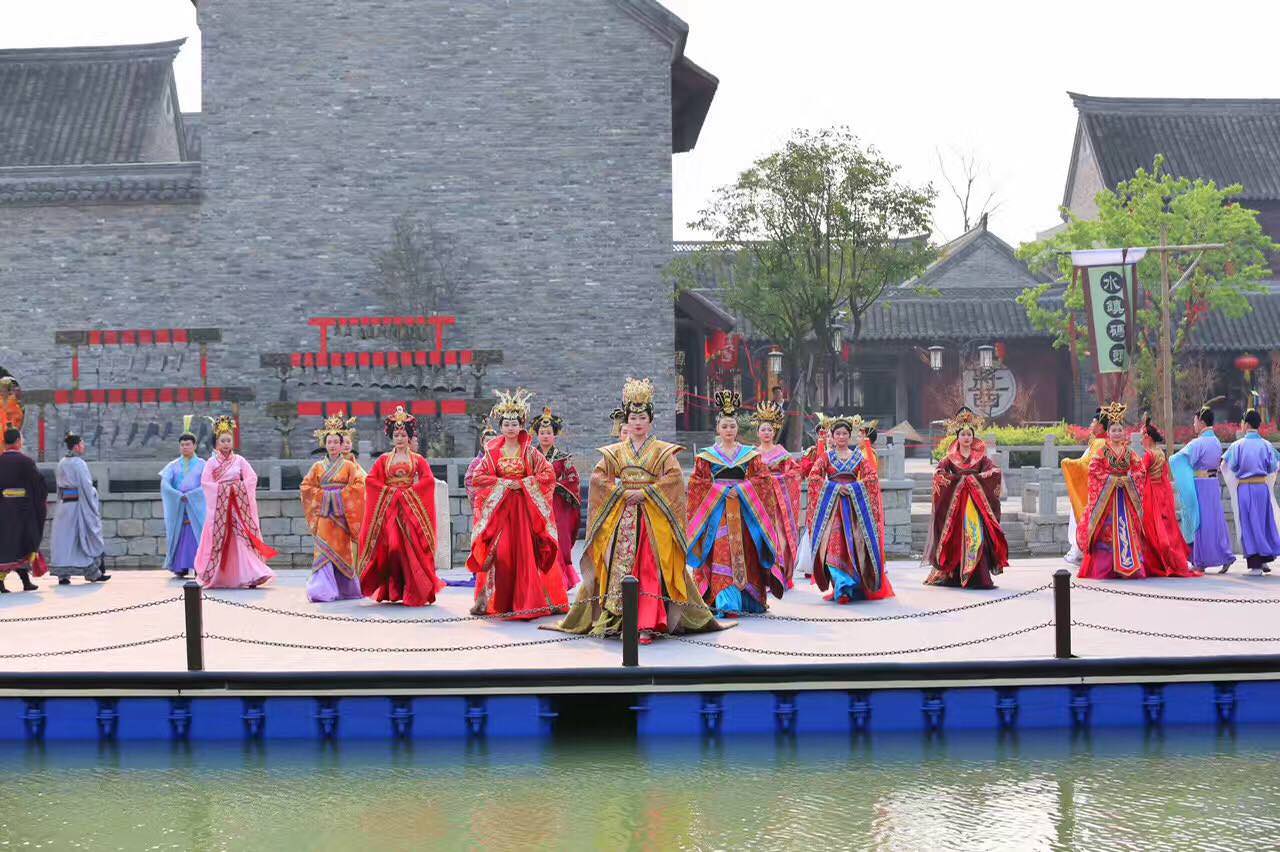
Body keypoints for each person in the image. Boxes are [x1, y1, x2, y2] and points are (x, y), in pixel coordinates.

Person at [551, 377, 725, 643]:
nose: (638, 422)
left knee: (650, 566)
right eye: (633, 418)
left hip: (653, 518)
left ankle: (647, 622)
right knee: (618, 568)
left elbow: (674, 480)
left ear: (651, 421)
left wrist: (645, 493)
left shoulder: (662, 451)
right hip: (622, 517)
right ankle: (620, 620)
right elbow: (598, 478)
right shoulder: (615, 452)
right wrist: (620, 492)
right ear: (627, 421)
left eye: (643, 417)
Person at [466, 389, 568, 619]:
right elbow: (478, 478)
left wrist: (523, 483)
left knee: (525, 552)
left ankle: (528, 601)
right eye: (506, 424)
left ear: (521, 425)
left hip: (524, 511)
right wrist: (502, 483)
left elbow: (548, 475)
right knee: (501, 552)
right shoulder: (492, 453)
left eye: (514, 424)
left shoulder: (530, 452)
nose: (510, 428)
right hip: (501, 511)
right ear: (501, 426)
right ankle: (499, 600)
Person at [686, 391, 783, 616]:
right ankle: (726, 601)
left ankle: (748, 599)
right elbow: (697, 483)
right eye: (724, 426)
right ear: (718, 430)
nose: (729, 430)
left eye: (732, 426)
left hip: (744, 509)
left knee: (745, 550)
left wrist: (740, 489)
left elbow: (763, 479)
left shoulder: (749, 454)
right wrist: (721, 490)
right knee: (722, 550)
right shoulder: (707, 456)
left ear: (737, 429)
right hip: (718, 510)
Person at [357, 406, 444, 606]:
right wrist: (390, 493)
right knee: (393, 548)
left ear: (409, 437)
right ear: (391, 436)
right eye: (396, 435)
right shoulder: (384, 460)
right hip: (390, 510)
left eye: (403, 435)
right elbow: (371, 480)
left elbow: (428, 481)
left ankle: (413, 590)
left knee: (412, 549)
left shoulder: (418, 460)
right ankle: (394, 589)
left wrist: (409, 493)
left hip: (410, 509)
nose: (399, 438)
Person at [806, 414, 895, 603]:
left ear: (850, 436)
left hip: (854, 510)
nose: (841, 437)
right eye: (837, 433)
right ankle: (842, 587)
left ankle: (853, 586)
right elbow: (814, 477)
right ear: (832, 436)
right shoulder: (826, 457)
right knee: (833, 544)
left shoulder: (858, 457)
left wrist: (854, 488)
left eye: (844, 433)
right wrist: (835, 488)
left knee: (854, 545)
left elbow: (872, 478)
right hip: (832, 508)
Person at [924, 407, 1009, 589]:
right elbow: (939, 474)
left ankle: (977, 577)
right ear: (957, 437)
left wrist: (974, 479)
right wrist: (957, 481)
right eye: (963, 434)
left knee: (975, 536)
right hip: (955, 508)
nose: (966, 437)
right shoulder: (949, 458)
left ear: (973, 436)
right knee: (955, 539)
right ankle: (954, 575)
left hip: (975, 504)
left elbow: (994, 471)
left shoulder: (981, 458)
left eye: (969, 434)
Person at [193, 416, 276, 589]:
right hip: (220, 509)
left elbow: (251, 478)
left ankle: (252, 574)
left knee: (242, 539)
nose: (225, 444)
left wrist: (236, 488)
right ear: (216, 443)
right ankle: (217, 575)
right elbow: (206, 483)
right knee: (219, 540)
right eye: (222, 441)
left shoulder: (240, 460)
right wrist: (225, 490)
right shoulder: (211, 463)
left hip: (238, 508)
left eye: (228, 440)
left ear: (233, 442)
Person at [1077, 402, 1146, 580]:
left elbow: (1140, 470)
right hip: (1107, 498)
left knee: (1127, 530)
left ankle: (1127, 567)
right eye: (1113, 430)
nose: (1116, 433)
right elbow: (1094, 471)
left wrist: (1128, 479)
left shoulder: (1129, 452)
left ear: (1124, 432)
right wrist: (1112, 480)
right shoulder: (1102, 452)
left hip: (1125, 496)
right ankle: (1107, 568)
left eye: (1119, 430)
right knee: (1106, 532)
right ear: (1108, 433)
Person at [300, 415, 367, 602]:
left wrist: (339, 496)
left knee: (343, 551)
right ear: (324, 443)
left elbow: (359, 486)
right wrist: (325, 496)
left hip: (341, 516)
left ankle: (344, 588)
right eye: (329, 442)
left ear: (341, 444)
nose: (332, 445)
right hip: (324, 516)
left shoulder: (349, 466)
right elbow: (306, 487)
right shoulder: (317, 467)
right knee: (323, 552)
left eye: (336, 442)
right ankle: (321, 590)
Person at [1171, 400, 1235, 573]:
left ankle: (1200, 560)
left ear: (1201, 421)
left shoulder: (1198, 443)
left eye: (1194, 421)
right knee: (1215, 521)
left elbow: (1178, 459)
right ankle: (1225, 555)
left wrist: (1172, 461)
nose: (1193, 425)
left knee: (1199, 521)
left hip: (1200, 485)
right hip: (1213, 484)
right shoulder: (1215, 441)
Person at [1223, 407, 1280, 576]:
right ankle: (1264, 559)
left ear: (1246, 424)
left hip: (1245, 489)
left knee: (1248, 524)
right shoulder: (1266, 445)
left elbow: (1229, 465)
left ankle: (1255, 565)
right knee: (1262, 523)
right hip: (1261, 487)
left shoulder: (1237, 445)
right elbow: (1273, 466)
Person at [1138, 416, 1198, 578]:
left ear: (1148, 438)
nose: (1141, 440)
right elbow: (1165, 475)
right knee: (1166, 527)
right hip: (1161, 492)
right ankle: (1172, 558)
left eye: (1142, 436)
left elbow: (1140, 474)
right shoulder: (1160, 453)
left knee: (1152, 528)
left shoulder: (1149, 455)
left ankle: (1159, 561)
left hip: (1151, 494)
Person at [532, 405, 583, 590]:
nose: (545, 436)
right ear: (537, 435)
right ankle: (536, 579)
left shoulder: (563, 458)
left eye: (549, 433)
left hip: (556, 505)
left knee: (558, 541)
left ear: (555, 435)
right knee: (535, 540)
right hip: (534, 503)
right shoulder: (530, 456)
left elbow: (573, 479)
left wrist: (555, 486)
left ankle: (558, 580)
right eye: (542, 433)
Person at [752, 400, 800, 586]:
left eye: (769, 430)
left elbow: (795, 473)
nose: (766, 433)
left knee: (780, 537)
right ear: (758, 432)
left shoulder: (781, 452)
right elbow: (748, 476)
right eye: (763, 429)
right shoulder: (752, 454)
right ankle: (762, 575)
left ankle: (779, 574)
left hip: (778, 504)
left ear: (774, 432)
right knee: (760, 535)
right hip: (759, 502)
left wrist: (777, 480)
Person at [50, 432, 108, 585]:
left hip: (64, 506)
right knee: (81, 539)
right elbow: (86, 487)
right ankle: (92, 573)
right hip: (78, 507)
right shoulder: (79, 463)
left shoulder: (62, 462)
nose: (84, 446)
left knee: (64, 541)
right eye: (82, 444)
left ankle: (63, 575)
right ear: (76, 446)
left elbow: (59, 487)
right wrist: (93, 494)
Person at [159, 419, 206, 579]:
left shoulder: (202, 464)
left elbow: (207, 484)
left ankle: (200, 565)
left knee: (196, 533)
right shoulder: (172, 465)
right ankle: (180, 566)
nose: (185, 447)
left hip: (196, 505)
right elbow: (165, 483)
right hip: (179, 505)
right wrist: (177, 495)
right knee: (179, 533)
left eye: (188, 444)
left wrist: (192, 496)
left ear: (195, 445)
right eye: (182, 444)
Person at [0, 428, 45, 592]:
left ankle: (18, 581)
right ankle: (23, 581)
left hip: (3, 511)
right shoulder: (26, 462)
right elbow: (38, 486)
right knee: (23, 545)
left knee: (6, 545)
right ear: (18, 441)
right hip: (22, 511)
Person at [1062, 409, 1106, 566]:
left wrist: (1069, 463)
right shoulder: (1097, 442)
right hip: (1096, 490)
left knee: (1081, 520)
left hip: (1094, 491)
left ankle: (1080, 551)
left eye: (1093, 422)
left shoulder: (1100, 443)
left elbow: (1089, 466)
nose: (1090, 424)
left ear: (1100, 426)